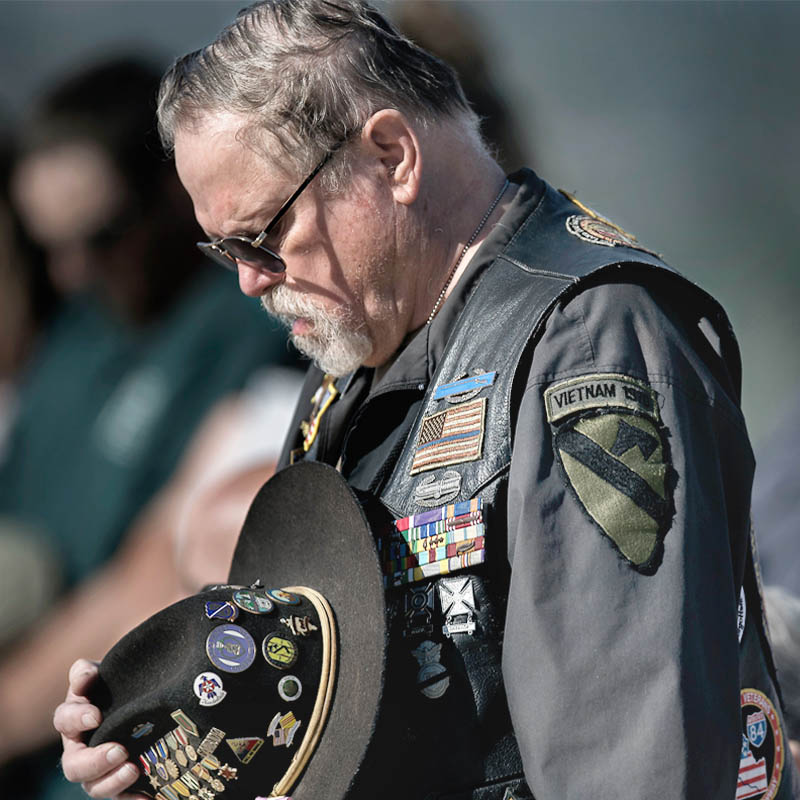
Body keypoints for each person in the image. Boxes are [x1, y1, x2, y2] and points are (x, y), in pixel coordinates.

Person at [54, 2, 799, 798]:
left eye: (263, 235)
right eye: (225, 249)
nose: (249, 278)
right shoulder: (353, 356)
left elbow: (633, 755)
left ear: (392, 155)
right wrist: (175, 766)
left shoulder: (588, 336)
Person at [0, 58, 299, 799]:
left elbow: (160, 573)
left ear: (171, 192)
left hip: (138, 760)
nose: (72, 270)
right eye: (49, 246)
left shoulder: (264, 322)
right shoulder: (72, 336)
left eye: (100, 235)